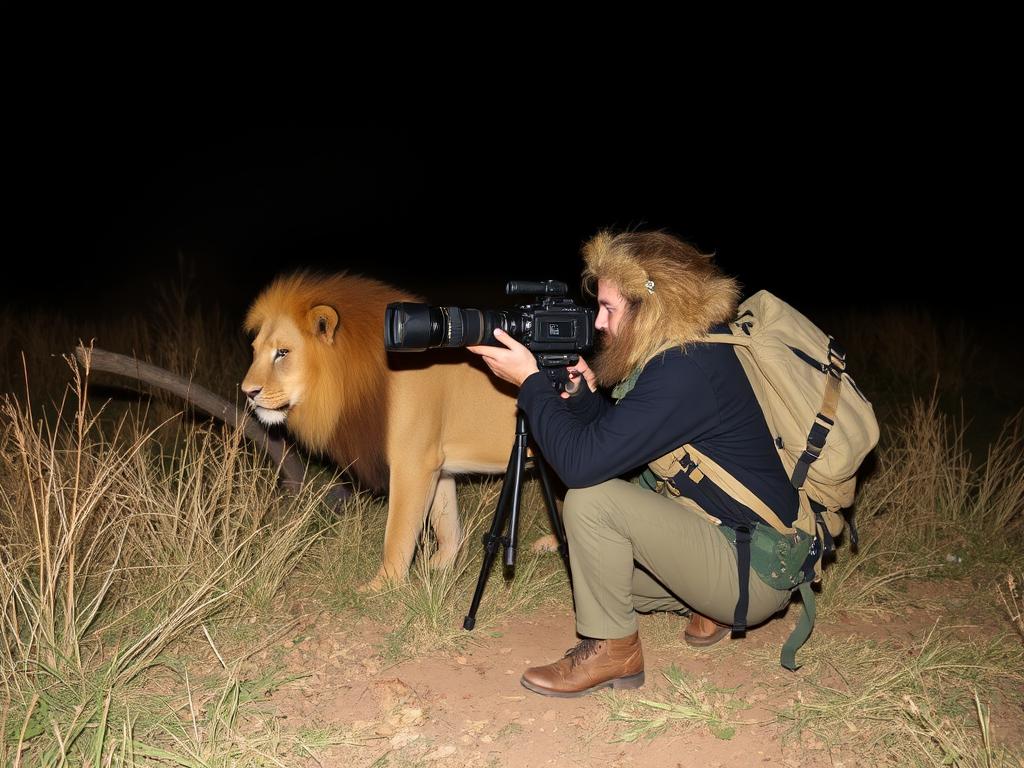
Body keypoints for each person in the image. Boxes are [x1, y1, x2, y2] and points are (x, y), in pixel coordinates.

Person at [467, 229, 798, 698]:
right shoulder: (686, 352)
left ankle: (615, 651)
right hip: (727, 538)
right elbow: (620, 442)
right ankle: (707, 605)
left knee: (589, 502)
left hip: (755, 570)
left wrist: (532, 384)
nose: (599, 323)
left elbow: (584, 468)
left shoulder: (687, 370)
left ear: (652, 309)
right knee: (602, 570)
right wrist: (582, 399)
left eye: (609, 308)